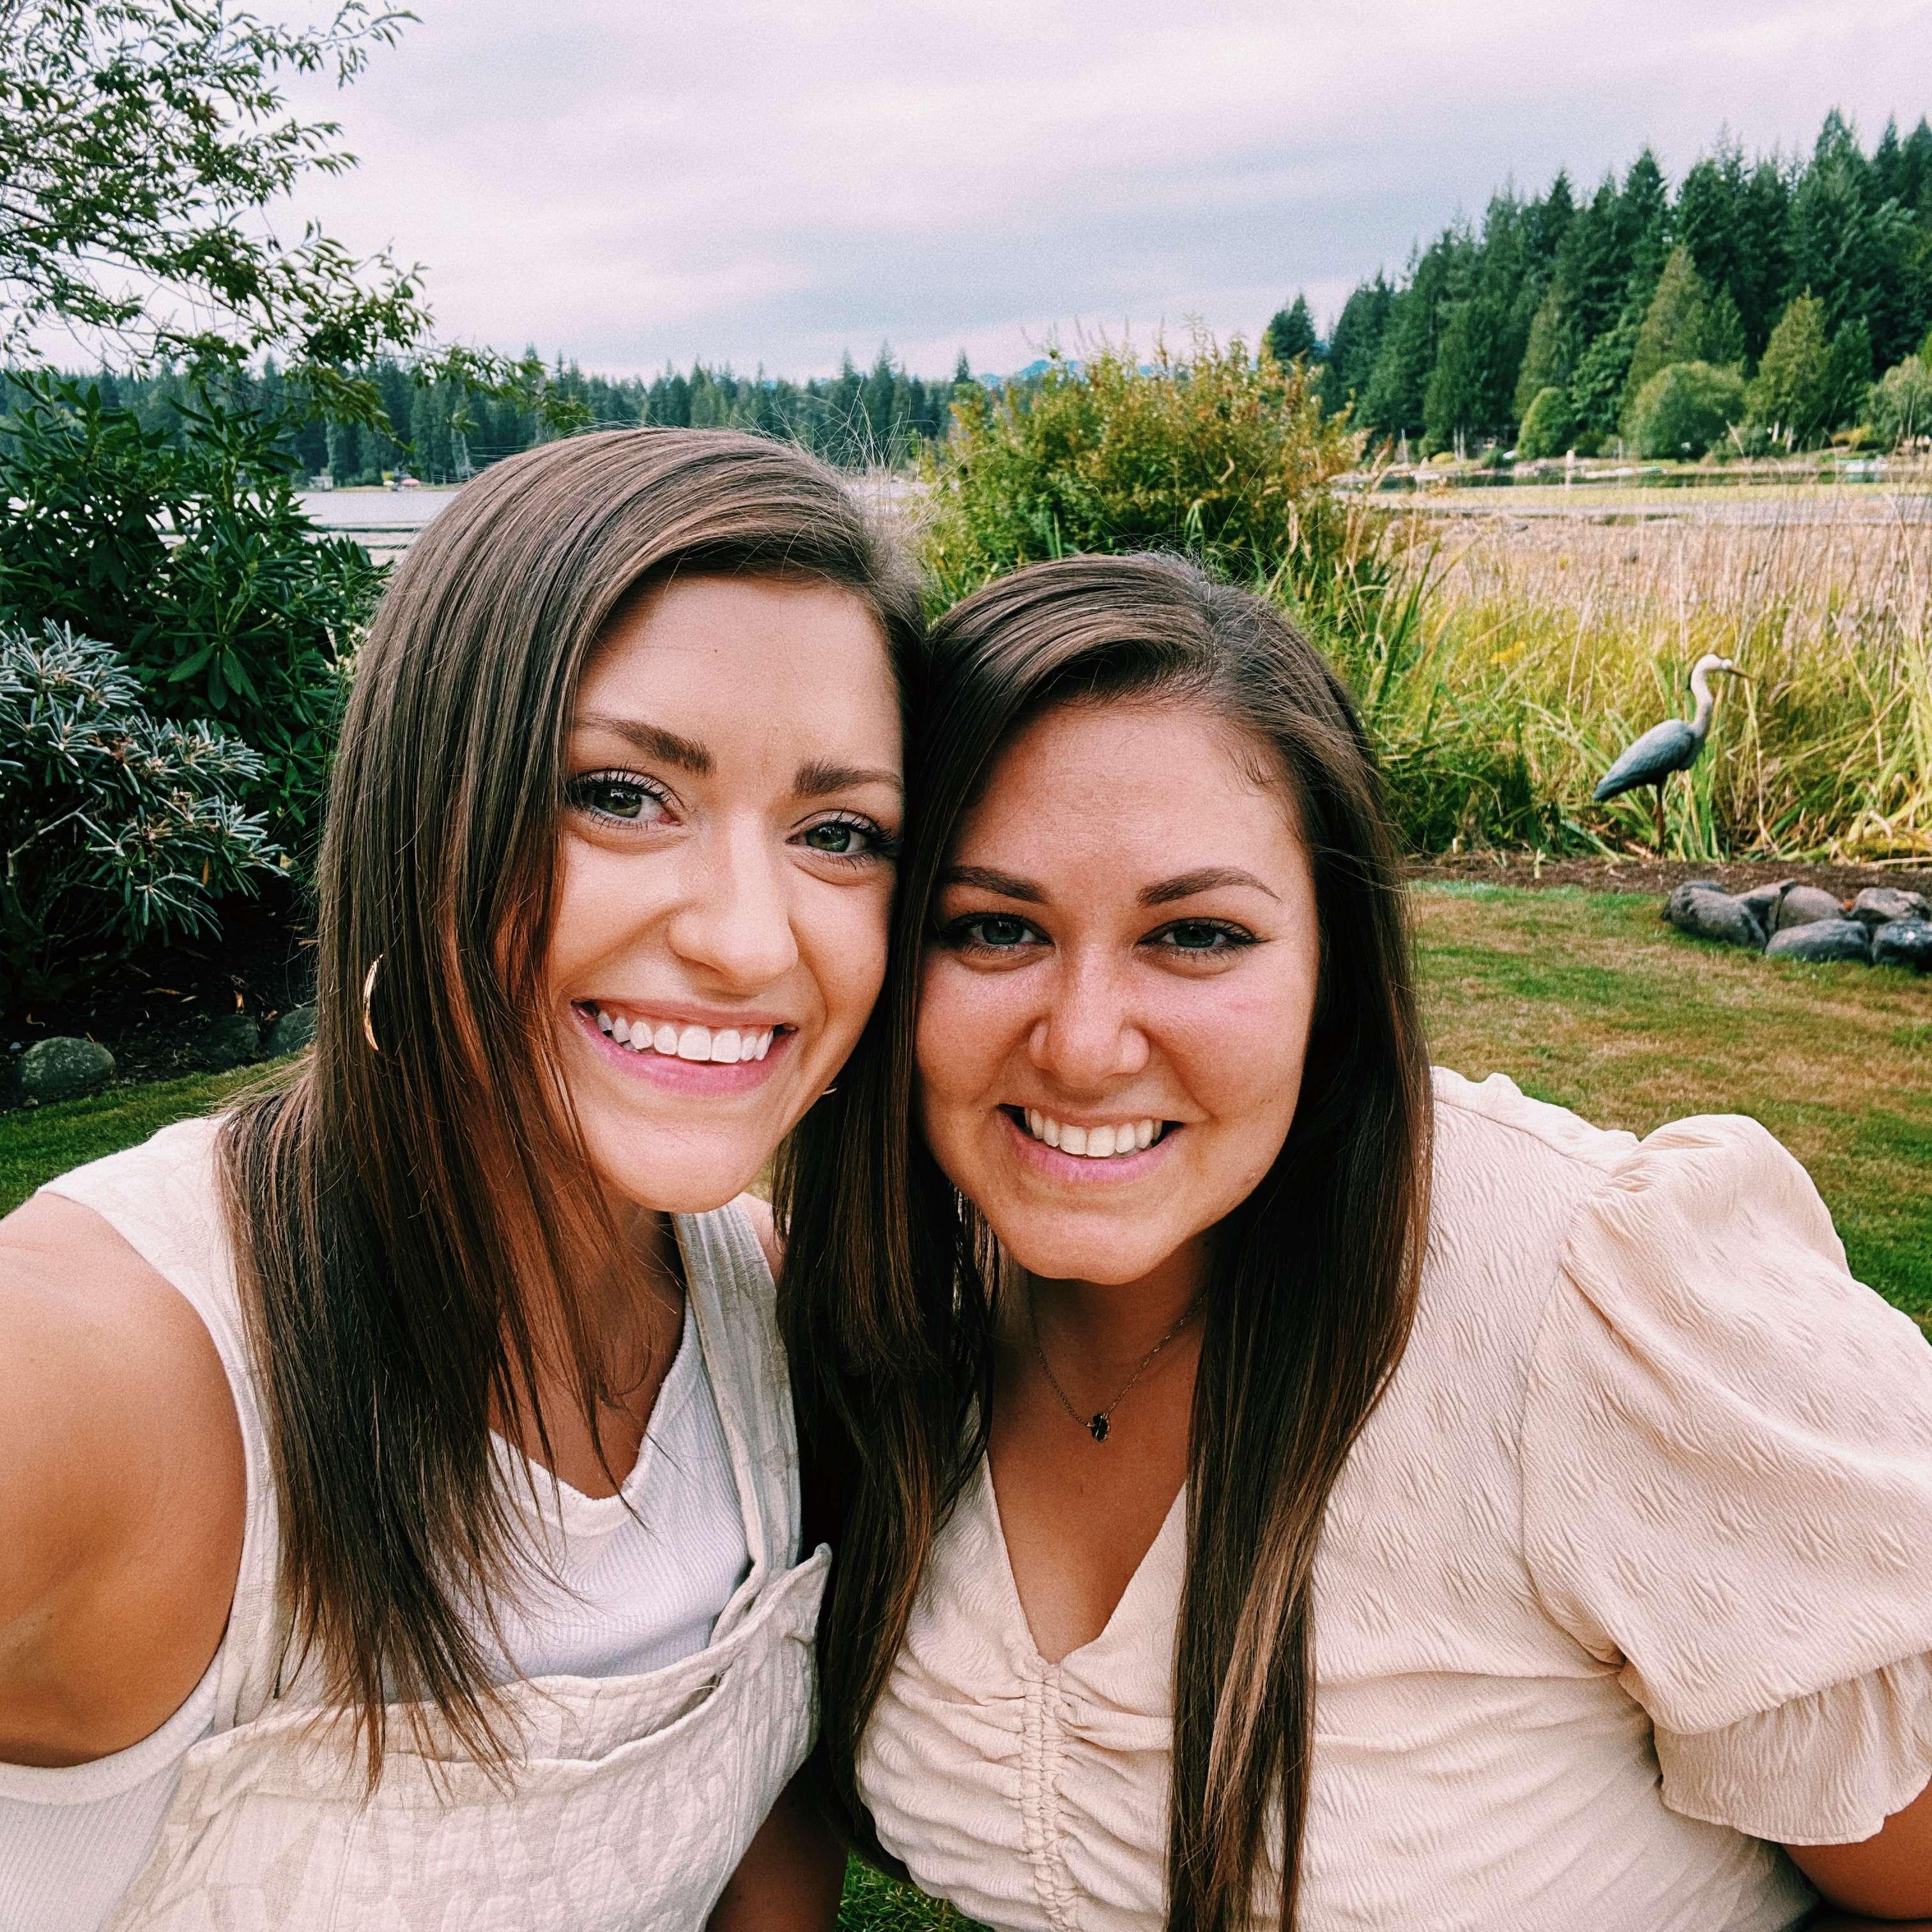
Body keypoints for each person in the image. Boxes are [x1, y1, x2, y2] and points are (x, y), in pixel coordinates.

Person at [781, 553, 1932, 1931]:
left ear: (1334, 964)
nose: (1083, 1045)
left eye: (1196, 934)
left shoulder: (1595, 1308)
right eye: (991, 928)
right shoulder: (883, 1305)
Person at [0, 429, 914, 1929]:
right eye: (620, 794)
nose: (752, 940)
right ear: (421, 811)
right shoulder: (120, 1372)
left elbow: (763, 1828)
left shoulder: (777, 1326)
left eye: (838, 833)